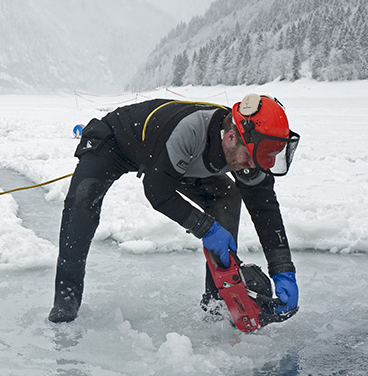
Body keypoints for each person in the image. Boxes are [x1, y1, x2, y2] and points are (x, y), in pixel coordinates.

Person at [48, 94, 301, 323]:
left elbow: (264, 209)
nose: (251, 165)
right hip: (115, 141)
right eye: (248, 157)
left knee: (226, 196)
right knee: (81, 203)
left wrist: (283, 270)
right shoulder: (191, 131)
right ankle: (65, 299)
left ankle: (218, 300)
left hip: (173, 162)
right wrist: (207, 229)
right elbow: (157, 191)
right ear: (231, 137)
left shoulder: (247, 150)